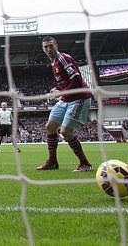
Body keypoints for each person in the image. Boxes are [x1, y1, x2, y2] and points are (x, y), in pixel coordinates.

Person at [37, 36, 92, 172]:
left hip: (79, 97)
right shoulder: (54, 62)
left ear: (56, 45)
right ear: (43, 49)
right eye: (46, 47)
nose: (49, 49)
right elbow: (66, 82)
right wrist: (58, 90)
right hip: (66, 98)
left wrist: (61, 92)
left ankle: (85, 163)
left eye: (51, 45)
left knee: (66, 131)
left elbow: (77, 80)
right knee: (50, 126)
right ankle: (52, 162)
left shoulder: (63, 58)